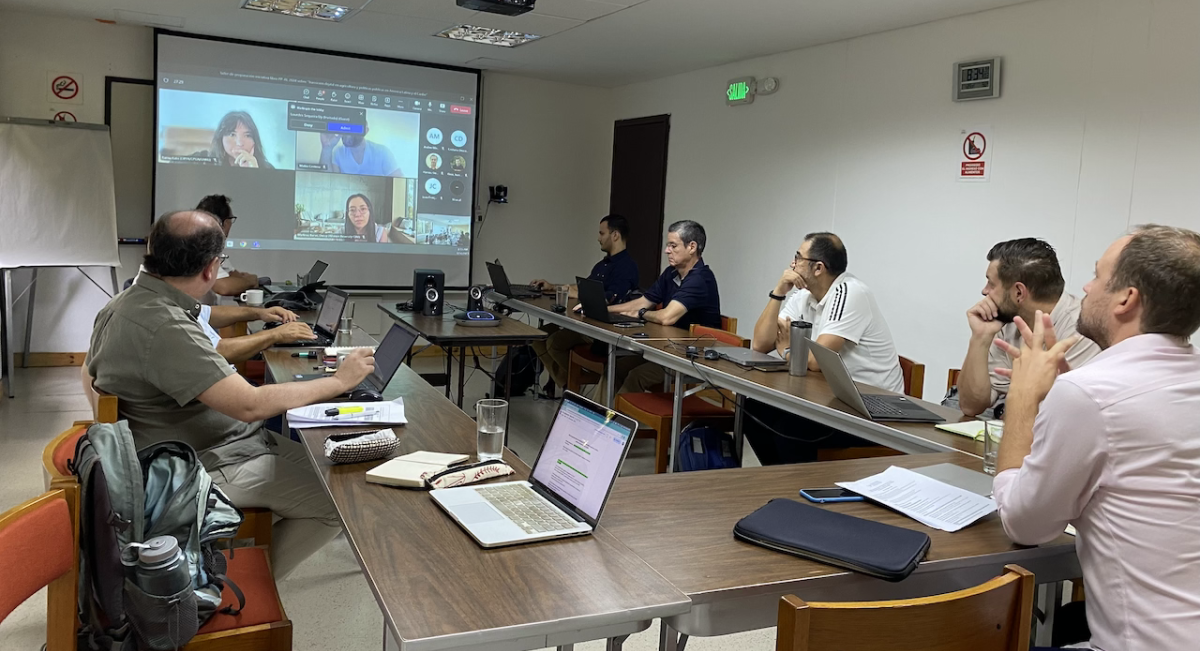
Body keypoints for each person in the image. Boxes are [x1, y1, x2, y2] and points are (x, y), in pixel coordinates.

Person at [83, 210, 376, 579]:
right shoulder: (163, 325)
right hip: (203, 462)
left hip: (219, 442)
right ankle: (243, 591)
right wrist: (340, 381)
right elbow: (249, 405)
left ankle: (244, 568)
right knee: (335, 507)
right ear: (210, 270)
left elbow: (86, 371)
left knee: (333, 472)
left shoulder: (129, 303)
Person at [993, 225, 1200, 651]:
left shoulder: (1092, 394)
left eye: (1097, 276)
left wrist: (1022, 402)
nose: (1085, 287)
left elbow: (1025, 523)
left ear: (1126, 299)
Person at [744, 232, 903, 464]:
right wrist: (778, 292)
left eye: (798, 257)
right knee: (753, 409)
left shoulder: (850, 293)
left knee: (791, 430)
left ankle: (796, 490)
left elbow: (815, 362)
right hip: (832, 399)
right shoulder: (804, 295)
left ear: (818, 268)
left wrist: (788, 350)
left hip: (870, 409)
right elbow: (760, 344)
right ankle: (782, 484)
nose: (792, 264)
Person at [957, 238, 1099, 418]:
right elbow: (971, 406)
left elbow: (1057, 415)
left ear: (1019, 293)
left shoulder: (1082, 329)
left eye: (991, 284)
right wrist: (980, 338)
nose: (984, 291)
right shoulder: (1007, 321)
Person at [528, 215, 640, 393]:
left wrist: (584, 295)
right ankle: (567, 383)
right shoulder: (602, 265)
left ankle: (575, 384)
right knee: (537, 337)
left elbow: (608, 299)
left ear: (615, 235)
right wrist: (552, 287)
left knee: (554, 343)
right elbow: (581, 288)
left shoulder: (627, 268)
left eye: (602, 233)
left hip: (602, 329)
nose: (598, 238)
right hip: (586, 322)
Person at [610, 220, 720, 394]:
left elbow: (666, 317)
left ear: (692, 247)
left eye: (673, 246)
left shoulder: (700, 279)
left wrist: (641, 313)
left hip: (691, 357)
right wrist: (606, 309)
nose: (667, 250)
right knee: (614, 366)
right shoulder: (671, 273)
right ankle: (597, 416)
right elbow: (643, 301)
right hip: (666, 348)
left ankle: (615, 420)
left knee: (636, 376)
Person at [198, 303, 316, 364]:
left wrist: (260, 313)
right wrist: (275, 334)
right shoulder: (181, 313)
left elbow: (208, 313)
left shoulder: (186, 303)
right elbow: (220, 351)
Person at [197, 195, 261, 303]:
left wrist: (244, 279)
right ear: (225, 223)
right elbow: (223, 287)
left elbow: (233, 275)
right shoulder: (201, 247)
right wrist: (250, 281)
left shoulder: (214, 246)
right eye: (231, 219)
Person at [319, 116, 403, 177]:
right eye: (346, 127)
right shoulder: (338, 153)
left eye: (354, 127)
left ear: (366, 131)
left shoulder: (382, 152)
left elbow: (400, 183)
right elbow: (327, 179)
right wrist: (326, 148)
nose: (348, 132)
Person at [191, 111, 274, 169]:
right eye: (232, 135)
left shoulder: (267, 168)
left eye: (247, 135)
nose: (240, 143)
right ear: (221, 138)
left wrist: (254, 172)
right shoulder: (202, 159)